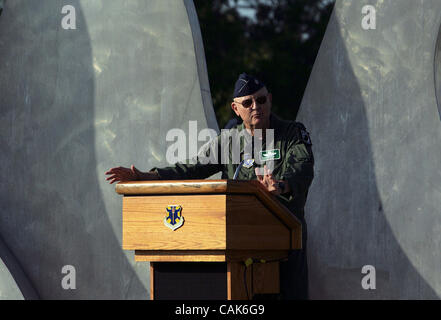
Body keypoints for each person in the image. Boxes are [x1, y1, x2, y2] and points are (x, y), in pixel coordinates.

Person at [105, 73, 314, 299]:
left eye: (261, 100)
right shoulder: (229, 140)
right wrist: (147, 176)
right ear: (236, 109)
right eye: (248, 103)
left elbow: (302, 168)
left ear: (270, 99)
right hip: (237, 240)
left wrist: (281, 186)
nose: (256, 107)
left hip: (283, 240)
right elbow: (192, 167)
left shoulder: (292, 133)